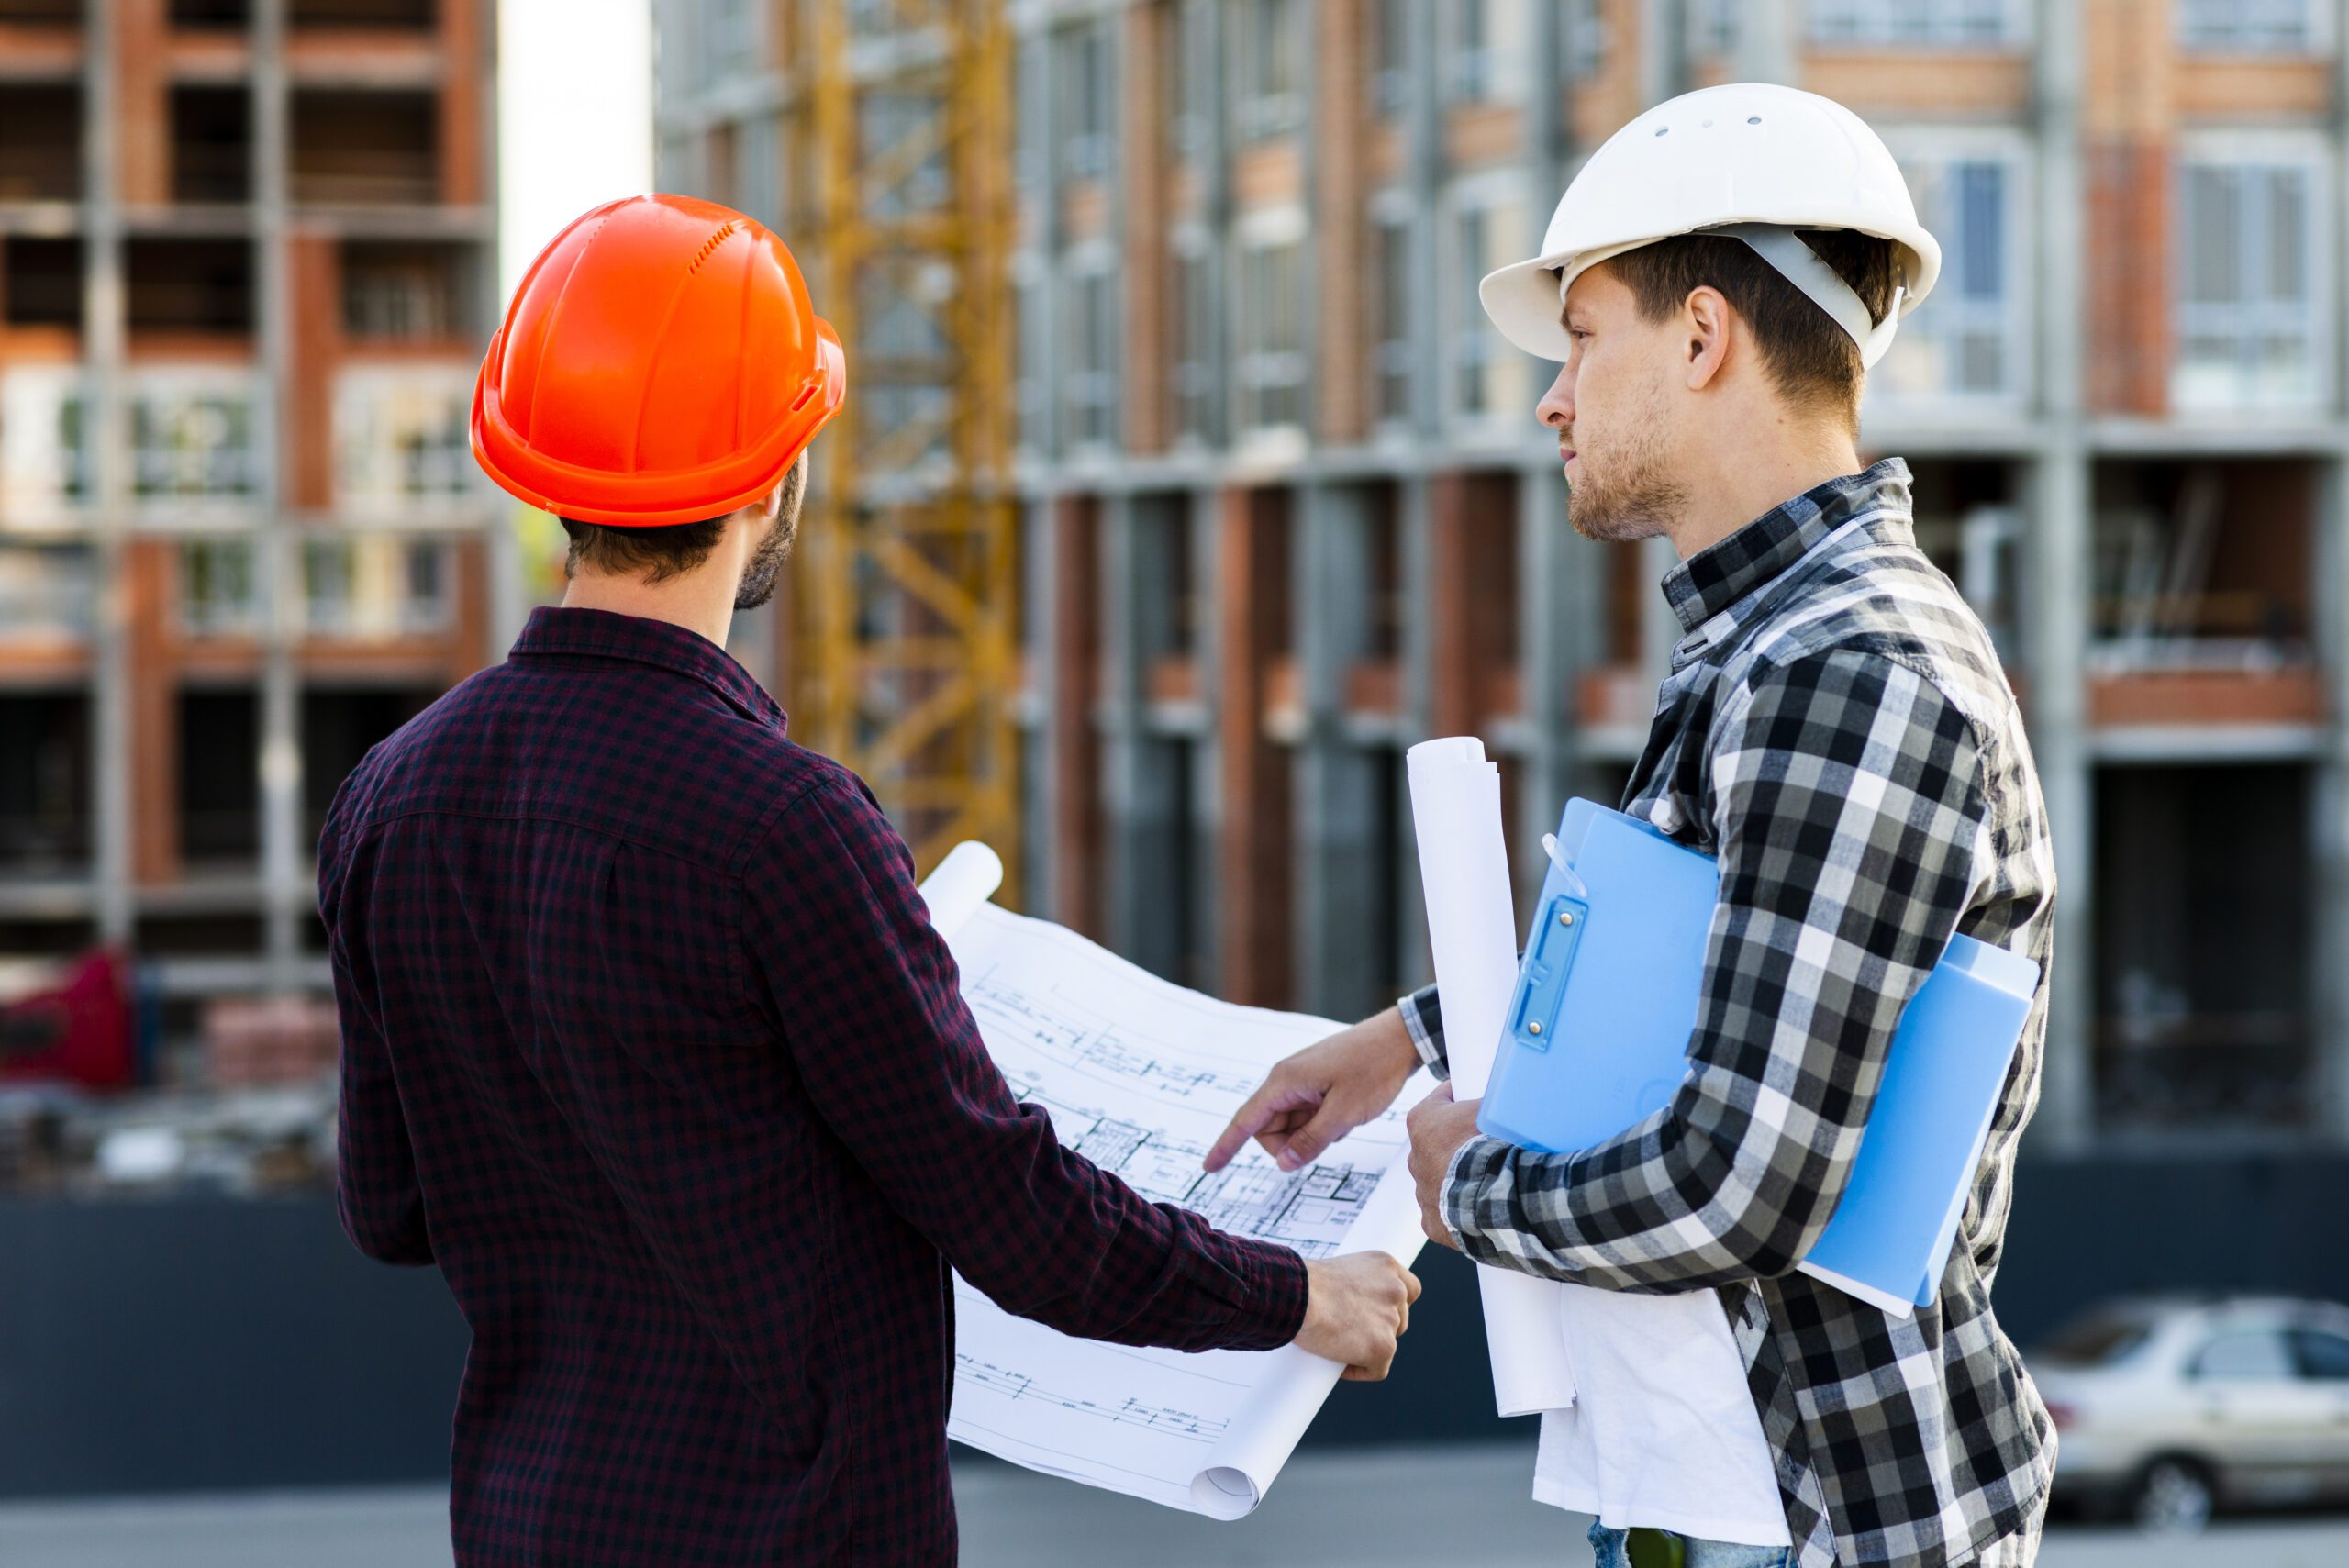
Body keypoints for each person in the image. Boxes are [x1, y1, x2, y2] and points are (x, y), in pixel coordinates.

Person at [321, 194, 1419, 1568]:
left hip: (532, 1529)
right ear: (777, 476)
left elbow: (392, 1208)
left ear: (541, 470)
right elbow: (1010, 1216)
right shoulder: (782, 826)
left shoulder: (390, 798)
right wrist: (1295, 1294)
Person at [1208, 84, 2054, 1568]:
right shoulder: (1771, 642)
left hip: (1829, 1516)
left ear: (1705, 336)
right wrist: (1413, 1036)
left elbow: (1741, 1181)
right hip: (1726, 1490)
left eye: (1583, 337)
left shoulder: (1848, 668)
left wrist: (1466, 1184)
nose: (1553, 395)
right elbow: (1722, 969)